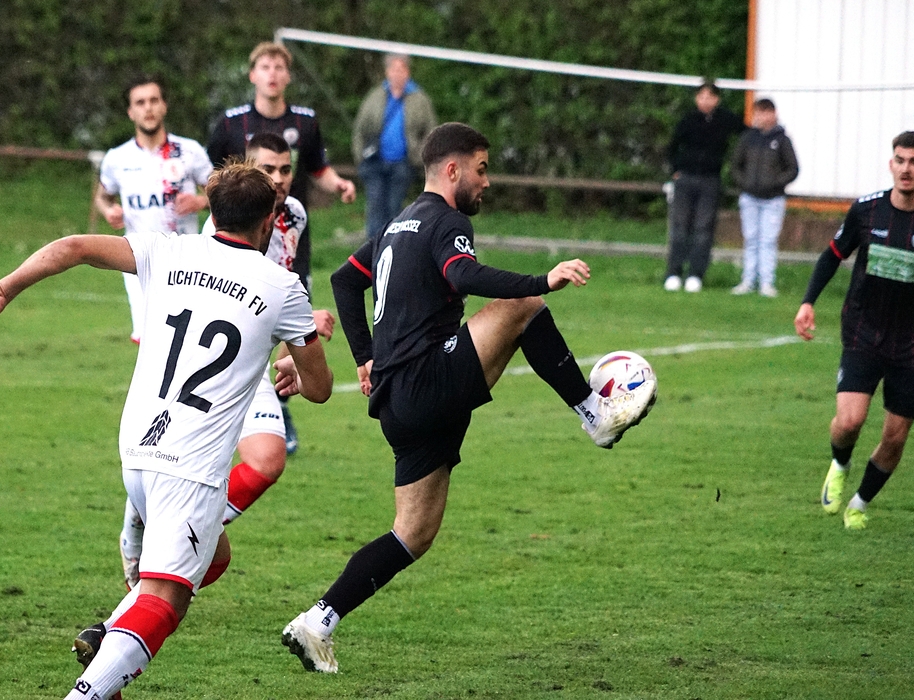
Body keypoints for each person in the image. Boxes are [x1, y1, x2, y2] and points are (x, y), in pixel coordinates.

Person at [281, 122, 656, 673]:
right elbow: (462, 274)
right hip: (426, 380)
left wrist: (365, 356)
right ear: (452, 169)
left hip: (397, 403)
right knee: (525, 306)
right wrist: (542, 279)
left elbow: (344, 279)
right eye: (481, 169)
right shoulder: (446, 220)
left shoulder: (395, 225)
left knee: (412, 534)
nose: (487, 181)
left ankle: (318, 622)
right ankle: (593, 413)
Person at [0, 162, 334, 699]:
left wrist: (6, 287)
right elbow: (320, 388)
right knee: (167, 600)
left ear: (213, 211)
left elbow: (73, 247)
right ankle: (89, 689)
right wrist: (294, 362)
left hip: (137, 450)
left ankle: (114, 628)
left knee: (215, 556)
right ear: (269, 221)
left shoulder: (167, 250)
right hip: (191, 467)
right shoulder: (282, 287)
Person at [117, 133, 336, 590]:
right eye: (267, 170)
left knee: (269, 460)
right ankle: (155, 529)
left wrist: (298, 341)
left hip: (253, 356)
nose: (278, 179)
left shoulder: (294, 214)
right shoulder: (222, 229)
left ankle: (172, 528)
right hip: (217, 358)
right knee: (192, 473)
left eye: (285, 169)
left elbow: (291, 286)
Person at [794, 131, 914, 531]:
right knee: (849, 422)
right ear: (891, 164)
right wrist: (808, 301)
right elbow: (832, 256)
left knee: (895, 437)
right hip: (863, 329)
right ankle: (840, 464)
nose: (906, 168)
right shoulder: (867, 211)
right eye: (900, 160)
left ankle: (859, 504)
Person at [207, 40, 355, 454]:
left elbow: (319, 167)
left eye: (279, 67)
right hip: (232, 295)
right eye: (265, 66)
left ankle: (276, 407)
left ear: (288, 75)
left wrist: (338, 184)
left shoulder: (304, 129)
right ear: (253, 74)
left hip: (283, 265)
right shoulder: (232, 124)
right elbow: (209, 172)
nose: (278, 178)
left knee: (285, 329)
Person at [96, 75, 213, 343]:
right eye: (140, 102)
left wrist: (200, 201)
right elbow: (102, 197)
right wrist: (109, 210)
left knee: (188, 338)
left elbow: (221, 192)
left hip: (186, 259)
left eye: (153, 100)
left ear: (164, 106)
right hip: (139, 261)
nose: (148, 108)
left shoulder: (189, 151)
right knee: (150, 339)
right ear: (130, 112)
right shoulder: (117, 158)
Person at [664, 82, 744, 293]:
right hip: (686, 179)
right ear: (696, 98)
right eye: (701, 97)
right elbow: (672, 146)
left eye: (709, 97)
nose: (705, 101)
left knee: (703, 229)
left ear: (716, 100)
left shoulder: (725, 119)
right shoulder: (688, 120)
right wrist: (676, 170)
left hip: (710, 180)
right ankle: (673, 273)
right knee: (680, 228)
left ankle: (695, 275)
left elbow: (746, 134)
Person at [352, 53, 437, 239]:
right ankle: (373, 247)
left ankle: (393, 246)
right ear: (387, 72)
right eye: (394, 69)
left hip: (403, 163)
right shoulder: (375, 97)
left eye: (401, 69)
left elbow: (430, 131)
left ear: (408, 72)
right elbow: (360, 129)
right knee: (375, 206)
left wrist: (420, 155)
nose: (397, 74)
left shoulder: (420, 99)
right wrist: (360, 158)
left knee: (394, 207)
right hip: (375, 162)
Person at [729, 98, 799, 297]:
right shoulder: (748, 138)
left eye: (762, 112)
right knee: (751, 239)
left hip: (773, 199)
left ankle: (767, 283)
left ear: (772, 114)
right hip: (749, 197)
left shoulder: (782, 140)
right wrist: (745, 183)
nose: (758, 117)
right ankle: (748, 280)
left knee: (768, 240)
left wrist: (775, 183)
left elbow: (793, 169)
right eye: (756, 113)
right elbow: (736, 165)